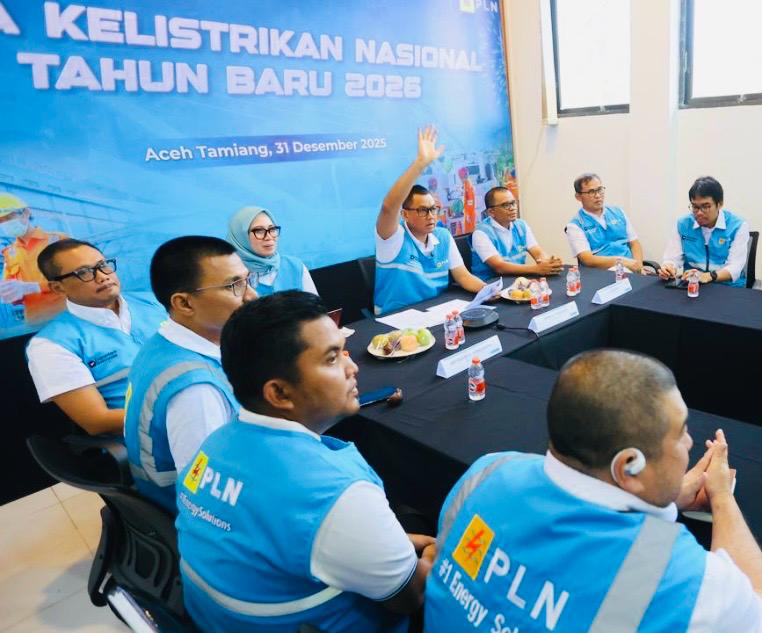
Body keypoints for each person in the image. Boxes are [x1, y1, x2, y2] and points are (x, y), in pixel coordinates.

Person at [424, 349, 762, 632]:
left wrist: (661, 494)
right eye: (681, 432)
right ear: (628, 466)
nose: (689, 442)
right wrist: (722, 497)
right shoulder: (675, 578)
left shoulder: (488, 470)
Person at [176, 291, 432, 632]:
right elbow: (410, 596)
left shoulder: (212, 446)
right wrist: (437, 552)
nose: (352, 367)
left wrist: (389, 541)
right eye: (332, 359)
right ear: (279, 393)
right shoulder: (337, 493)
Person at [124, 236, 256, 512]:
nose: (251, 295)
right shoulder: (196, 392)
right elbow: (208, 492)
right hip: (187, 512)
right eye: (234, 285)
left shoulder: (161, 344)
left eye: (247, 280)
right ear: (184, 303)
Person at [25, 240, 165, 435]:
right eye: (84, 272)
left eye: (103, 265)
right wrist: (180, 415)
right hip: (153, 439)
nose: (102, 276)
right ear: (58, 287)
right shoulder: (49, 345)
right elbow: (97, 421)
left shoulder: (157, 302)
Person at [374, 126, 494, 314]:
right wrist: (420, 164)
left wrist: (486, 290)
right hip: (395, 318)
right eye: (423, 210)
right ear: (405, 214)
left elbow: (463, 276)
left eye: (433, 209)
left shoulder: (443, 236)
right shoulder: (393, 238)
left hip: (436, 312)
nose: (431, 216)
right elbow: (389, 207)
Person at [658, 177, 752, 287]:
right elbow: (672, 258)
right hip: (693, 285)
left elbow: (735, 267)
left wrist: (708, 276)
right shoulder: (683, 224)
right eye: (695, 207)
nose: (699, 213)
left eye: (705, 207)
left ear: (719, 204)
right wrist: (668, 267)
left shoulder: (737, 226)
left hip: (728, 287)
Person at [0, 193, 68, 324]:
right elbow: (14, 295)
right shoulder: (9, 253)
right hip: (34, 322)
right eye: (0, 221)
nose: (5, 224)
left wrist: (34, 287)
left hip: (65, 317)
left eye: (8, 217)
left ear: (25, 213)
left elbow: (77, 279)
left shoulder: (58, 240)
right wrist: (8, 293)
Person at [469, 186, 563, 278]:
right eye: (506, 205)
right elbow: (499, 267)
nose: (512, 208)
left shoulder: (521, 225)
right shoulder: (481, 233)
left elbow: (538, 252)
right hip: (490, 283)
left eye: (513, 203)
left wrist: (549, 263)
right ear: (491, 212)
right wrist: (537, 269)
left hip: (517, 279)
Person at [226, 205, 317, 296]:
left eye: (272, 229)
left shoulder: (294, 266)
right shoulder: (230, 275)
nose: (269, 237)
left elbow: (315, 305)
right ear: (241, 236)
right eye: (259, 231)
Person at [565, 174, 648, 272]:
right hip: (602, 273)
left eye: (600, 190)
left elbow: (634, 243)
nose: (597, 195)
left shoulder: (618, 212)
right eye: (591, 192)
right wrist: (621, 262)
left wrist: (639, 267)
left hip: (631, 270)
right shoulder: (575, 225)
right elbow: (588, 259)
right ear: (578, 197)